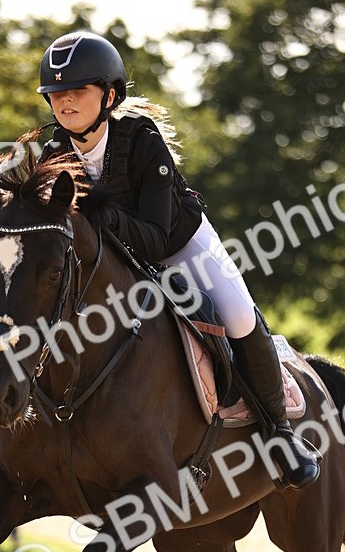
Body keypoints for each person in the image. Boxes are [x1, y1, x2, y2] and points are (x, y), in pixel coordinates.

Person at [33, 30, 320, 489]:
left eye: (77, 91)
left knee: (239, 314)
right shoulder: (53, 157)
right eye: (56, 94)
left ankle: (280, 433)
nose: (64, 102)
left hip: (179, 243)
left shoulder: (141, 139)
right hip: (118, 259)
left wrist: (100, 215)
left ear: (109, 96)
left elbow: (156, 237)